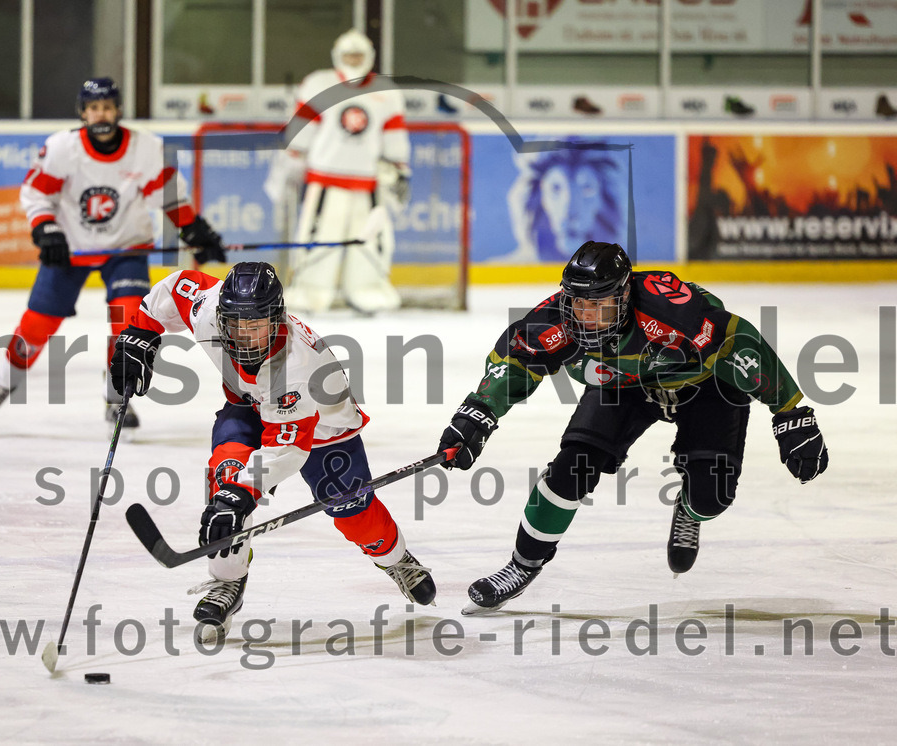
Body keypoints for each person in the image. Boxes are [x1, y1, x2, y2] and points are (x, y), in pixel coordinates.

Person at [438, 241, 829, 615]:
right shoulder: (555, 322)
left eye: (599, 306)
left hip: (705, 383)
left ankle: (690, 510)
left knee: (711, 496)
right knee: (572, 467)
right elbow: (514, 362)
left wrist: (790, 411)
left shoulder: (673, 311)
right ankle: (522, 566)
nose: (586, 317)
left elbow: (736, 342)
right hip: (622, 386)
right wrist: (476, 414)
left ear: (624, 297)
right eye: (577, 304)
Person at [109, 261, 435, 641]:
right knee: (225, 482)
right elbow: (173, 288)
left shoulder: (296, 364)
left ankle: (396, 560)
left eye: (256, 326)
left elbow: (286, 449)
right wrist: (137, 334)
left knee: (352, 512)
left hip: (323, 428)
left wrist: (244, 492)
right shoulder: (208, 308)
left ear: (277, 319)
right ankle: (226, 581)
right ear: (221, 315)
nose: (245, 335)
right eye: (236, 325)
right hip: (248, 406)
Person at [0, 77, 225, 429]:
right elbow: (36, 193)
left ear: (118, 110)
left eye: (107, 107)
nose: (100, 114)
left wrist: (193, 229)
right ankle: (1, 384)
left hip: (125, 248)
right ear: (83, 113)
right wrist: (46, 229)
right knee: (37, 324)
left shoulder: (145, 148)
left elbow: (168, 196)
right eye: (93, 108)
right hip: (71, 248)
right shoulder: (62, 148)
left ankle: (116, 397)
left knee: (128, 322)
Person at [263, 28, 410, 315]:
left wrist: (399, 167)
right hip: (324, 181)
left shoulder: (386, 92)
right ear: (337, 56)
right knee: (317, 238)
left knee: (370, 242)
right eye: (348, 55)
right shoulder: (319, 83)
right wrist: (289, 165)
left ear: (370, 56)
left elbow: (394, 138)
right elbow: (301, 133)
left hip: (368, 184)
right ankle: (309, 291)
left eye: (359, 55)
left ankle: (367, 290)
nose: (354, 60)